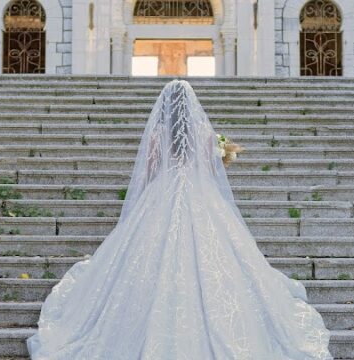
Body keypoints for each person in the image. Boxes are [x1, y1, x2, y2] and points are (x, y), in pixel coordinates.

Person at [26, 79, 333, 359]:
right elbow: (212, 176)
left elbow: (147, 175)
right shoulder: (205, 133)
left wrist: (142, 210)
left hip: (163, 195)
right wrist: (220, 159)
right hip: (200, 198)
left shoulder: (158, 134)